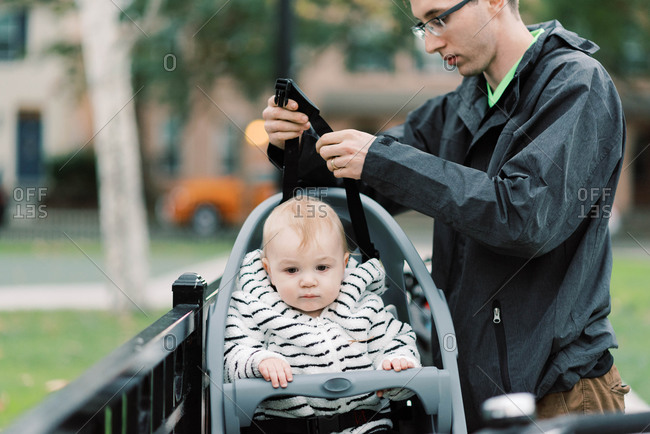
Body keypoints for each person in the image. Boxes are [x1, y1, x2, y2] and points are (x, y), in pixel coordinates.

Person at [262, 0, 630, 430]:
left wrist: (381, 160)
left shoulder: (577, 85)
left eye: (439, 18)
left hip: (558, 399)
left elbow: (525, 218)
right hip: (470, 395)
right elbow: (366, 181)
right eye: (422, 27)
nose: (432, 43)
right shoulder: (459, 107)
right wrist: (298, 145)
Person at [224, 196, 421, 434]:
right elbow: (230, 354)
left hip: (365, 426)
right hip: (285, 428)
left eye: (322, 268)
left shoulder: (364, 307)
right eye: (291, 270)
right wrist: (259, 360)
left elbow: (397, 341)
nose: (308, 281)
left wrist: (397, 364)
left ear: (343, 265)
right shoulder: (255, 309)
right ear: (269, 270)